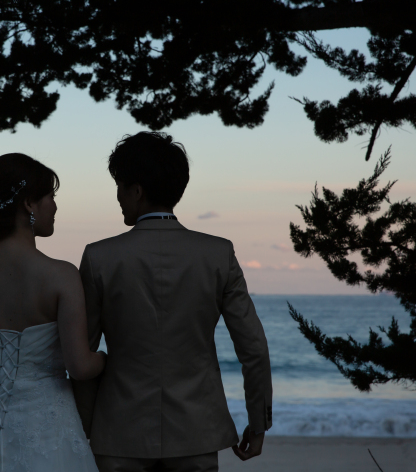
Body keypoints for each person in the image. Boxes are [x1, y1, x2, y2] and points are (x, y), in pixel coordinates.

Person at [72, 132, 273, 472]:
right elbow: (253, 348)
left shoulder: (99, 257)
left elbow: (84, 354)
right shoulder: (218, 254)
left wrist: (86, 425)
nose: (117, 196)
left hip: (120, 431)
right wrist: (258, 422)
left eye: (120, 186)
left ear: (137, 191)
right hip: (196, 431)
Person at [0, 153, 105, 472]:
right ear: (29, 203)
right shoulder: (62, 276)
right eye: (50, 197)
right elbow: (80, 366)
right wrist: (107, 359)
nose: (55, 206)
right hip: (47, 425)